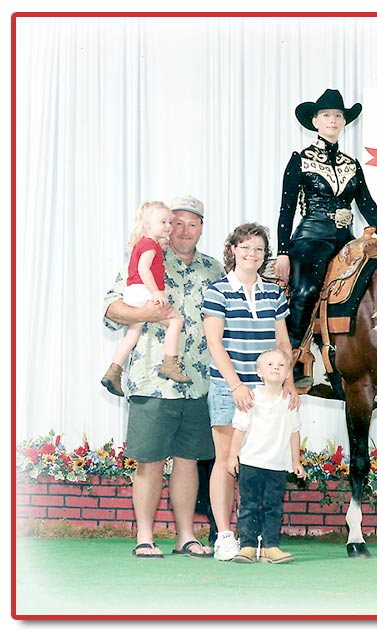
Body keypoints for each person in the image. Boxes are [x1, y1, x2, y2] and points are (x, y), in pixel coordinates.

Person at [103, 195, 224, 558]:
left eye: (192, 224)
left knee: (188, 462)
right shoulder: (149, 255)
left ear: (201, 228)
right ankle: (145, 537)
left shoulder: (214, 269)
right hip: (151, 379)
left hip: (197, 382)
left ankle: (186, 536)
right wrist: (149, 313)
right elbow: (111, 308)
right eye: (176, 222)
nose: (182, 230)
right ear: (166, 225)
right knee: (150, 461)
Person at [274, 88, 377, 387]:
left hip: (346, 238)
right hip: (312, 236)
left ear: (344, 122)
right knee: (306, 290)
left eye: (338, 115)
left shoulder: (351, 163)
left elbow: (366, 202)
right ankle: (294, 358)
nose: (333, 120)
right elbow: (287, 209)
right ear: (315, 121)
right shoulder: (300, 160)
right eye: (326, 115)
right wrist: (283, 251)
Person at [202, 223, 300, 561]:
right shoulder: (217, 291)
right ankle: (224, 536)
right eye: (244, 247)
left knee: (262, 461)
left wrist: (289, 383)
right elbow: (214, 342)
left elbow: (283, 342)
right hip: (229, 387)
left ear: (265, 255)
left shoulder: (273, 293)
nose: (251, 254)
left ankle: (262, 540)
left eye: (258, 249)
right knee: (226, 461)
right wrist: (236, 385)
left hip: (267, 392)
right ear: (232, 250)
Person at [101, 201, 192, 396]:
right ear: (148, 224)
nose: (168, 226)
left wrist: (161, 245)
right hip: (144, 292)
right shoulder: (150, 246)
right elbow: (144, 269)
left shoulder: (145, 243)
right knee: (175, 321)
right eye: (163, 222)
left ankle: (113, 371)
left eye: (170, 222)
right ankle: (170, 363)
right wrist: (156, 292)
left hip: (133, 293)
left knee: (132, 334)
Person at [227, 349, 307, 564]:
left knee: (273, 507)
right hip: (250, 463)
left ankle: (270, 546)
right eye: (270, 364)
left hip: (277, 466)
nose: (276, 368)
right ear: (259, 371)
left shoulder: (290, 402)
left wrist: (296, 462)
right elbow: (239, 429)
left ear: (288, 373)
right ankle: (247, 546)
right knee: (249, 505)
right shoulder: (251, 398)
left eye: (281, 365)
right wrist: (232, 456)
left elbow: (294, 433)